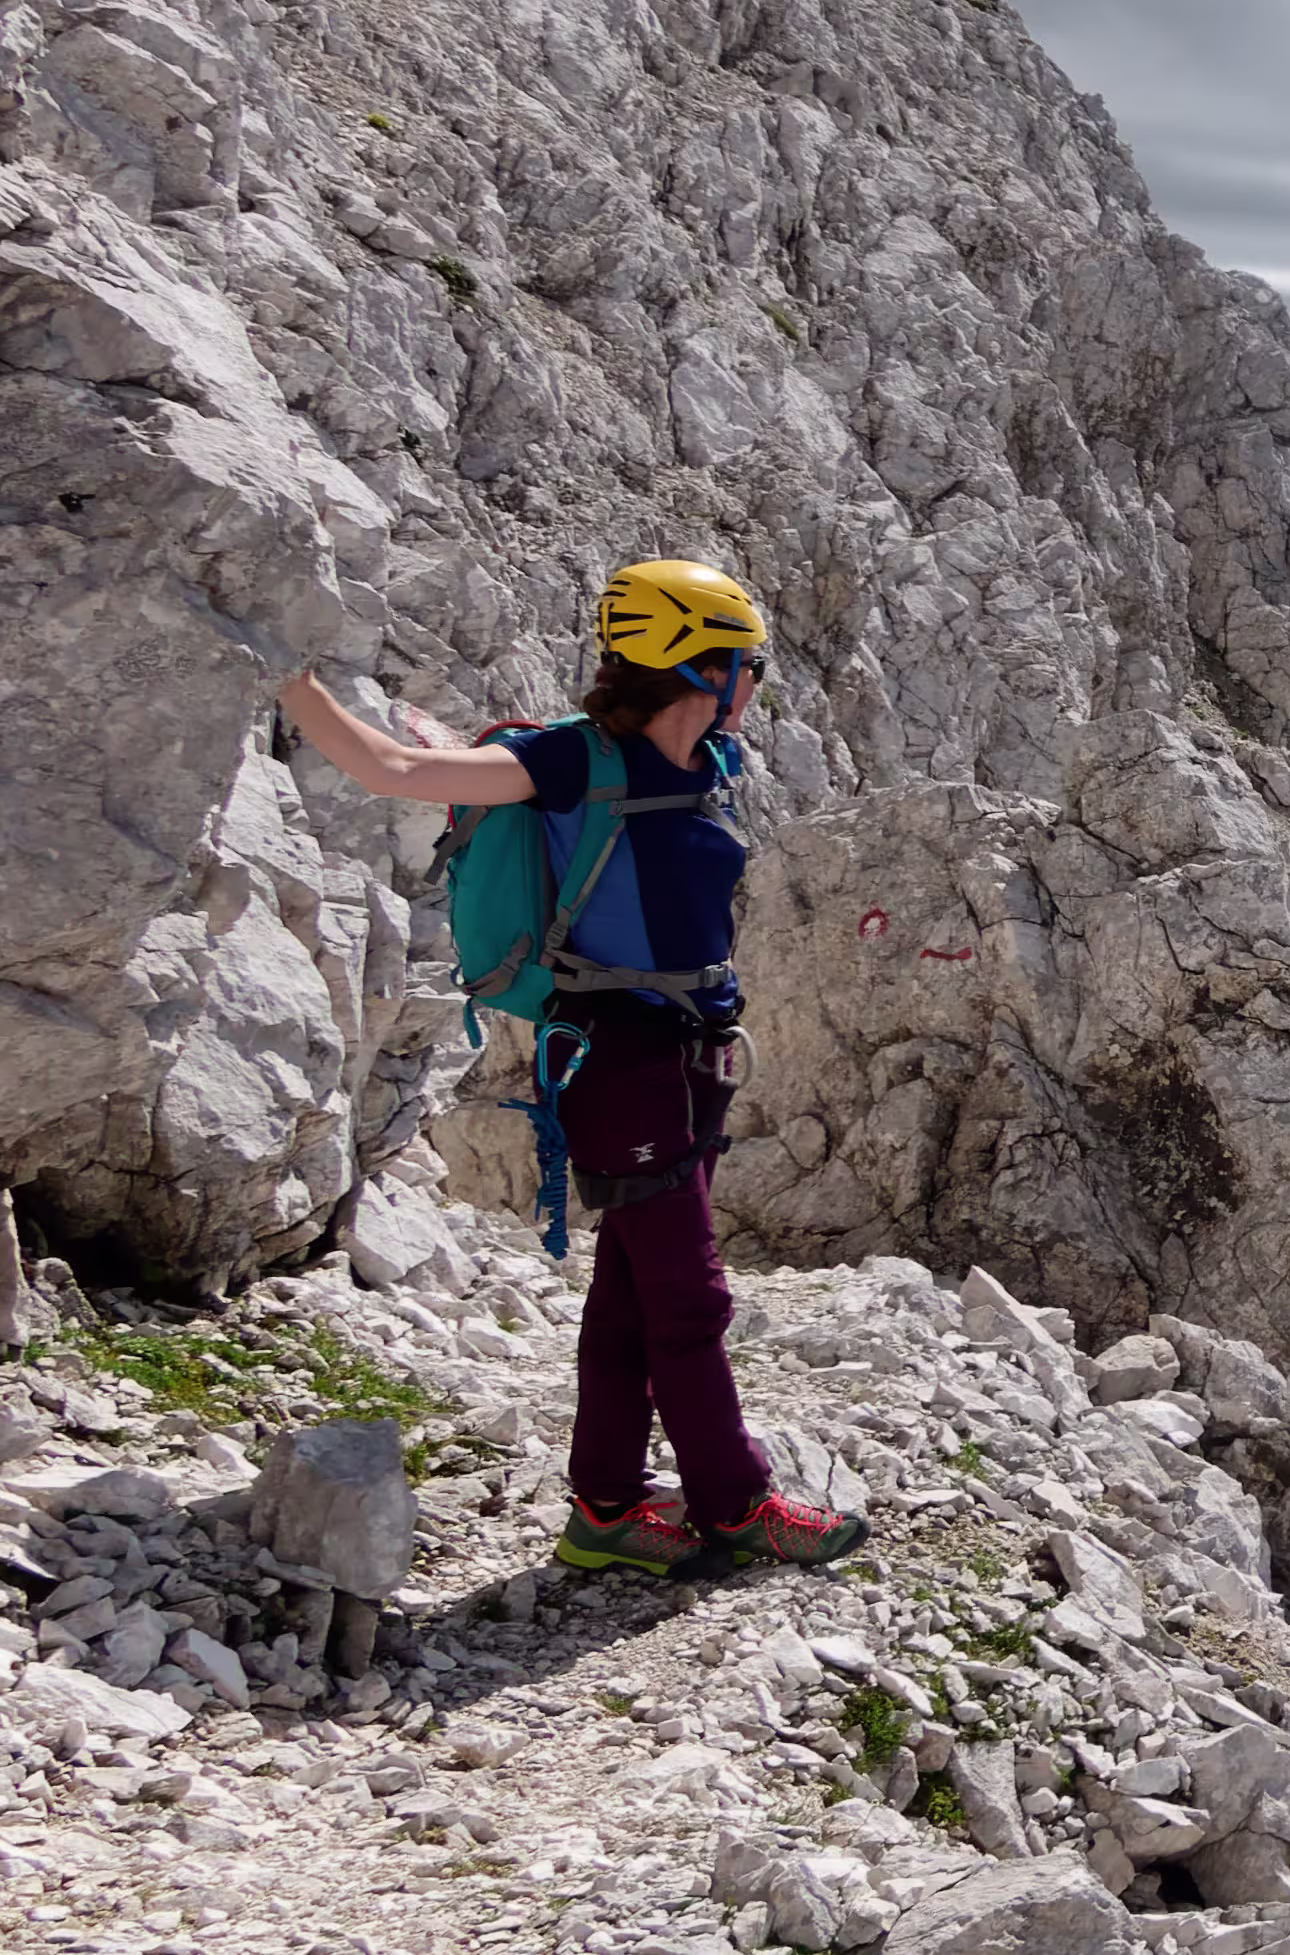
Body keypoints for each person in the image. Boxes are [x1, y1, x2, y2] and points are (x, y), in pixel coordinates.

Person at [274, 561, 867, 1578]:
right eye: (750, 664)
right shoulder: (571, 760)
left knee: (633, 1294)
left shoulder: (711, 764)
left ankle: (605, 1511)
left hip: (691, 1052)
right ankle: (737, 1504)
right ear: (704, 665)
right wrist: (282, 670)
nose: (760, 683)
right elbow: (399, 772)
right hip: (615, 1055)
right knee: (687, 1298)